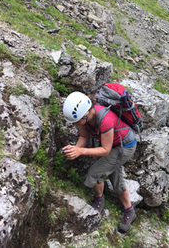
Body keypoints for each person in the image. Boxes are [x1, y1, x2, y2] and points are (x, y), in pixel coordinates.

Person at [61, 91, 138, 233]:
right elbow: (84, 136)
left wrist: (81, 151)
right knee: (115, 175)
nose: (75, 124)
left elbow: (105, 150)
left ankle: (98, 200)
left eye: (76, 122)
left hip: (125, 146)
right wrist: (75, 149)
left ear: (85, 115)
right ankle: (129, 210)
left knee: (95, 173)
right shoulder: (83, 118)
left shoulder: (105, 119)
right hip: (115, 145)